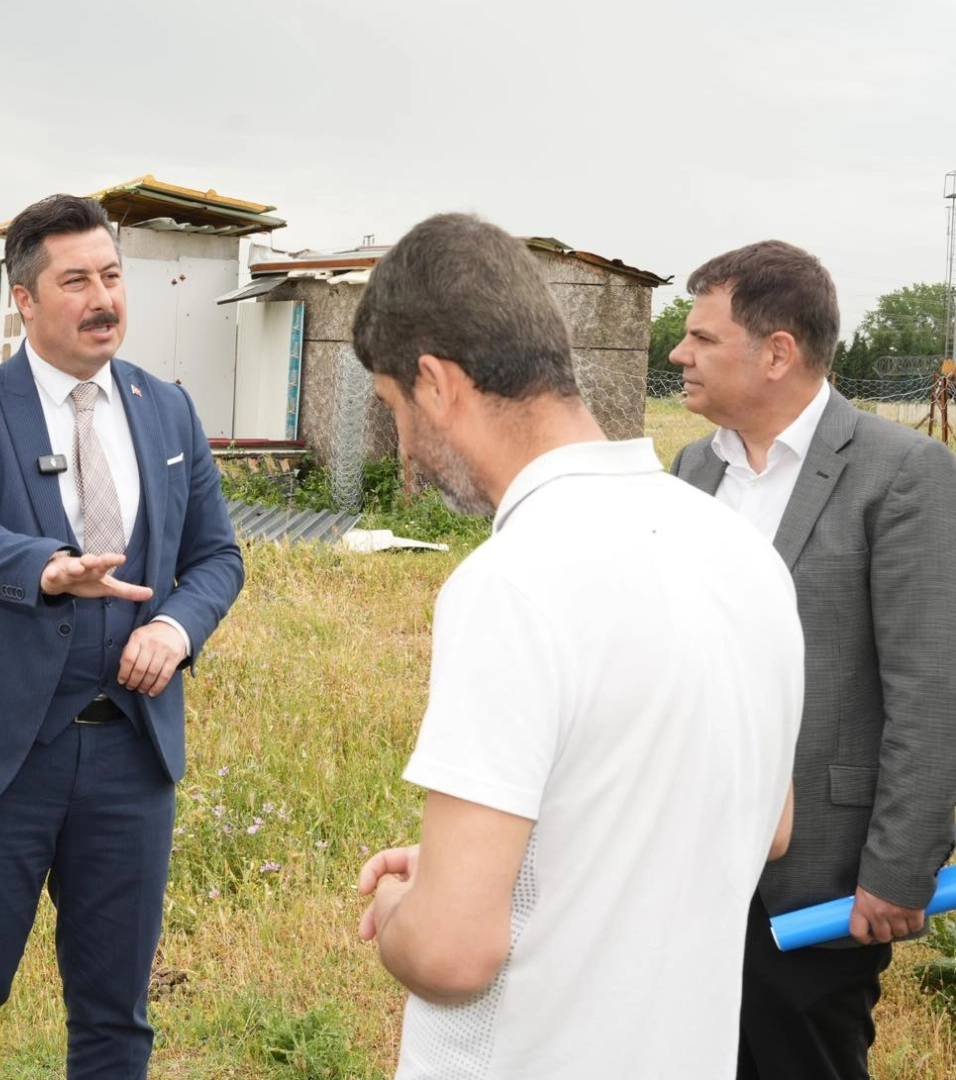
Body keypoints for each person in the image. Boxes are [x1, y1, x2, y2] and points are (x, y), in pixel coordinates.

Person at [353, 213, 803, 1079]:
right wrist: (474, 870)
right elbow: (766, 824)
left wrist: (410, 907)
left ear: (435, 383)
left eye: (393, 408)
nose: (405, 447)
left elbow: (451, 955)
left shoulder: (510, 584)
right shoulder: (744, 551)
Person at [0, 193, 244, 1079]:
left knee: (116, 1021)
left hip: (129, 757)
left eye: (112, 275)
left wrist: (176, 627)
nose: (103, 298)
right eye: (76, 281)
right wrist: (46, 566)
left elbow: (217, 557)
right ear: (25, 299)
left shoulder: (167, 411)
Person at [668, 240, 956, 1080]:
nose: (679, 354)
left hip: (819, 882)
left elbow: (932, 688)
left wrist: (899, 869)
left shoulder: (903, 474)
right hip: (691, 866)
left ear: (777, 353)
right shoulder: (691, 470)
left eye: (702, 337)